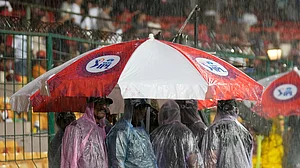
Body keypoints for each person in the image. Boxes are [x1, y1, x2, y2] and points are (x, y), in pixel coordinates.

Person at [150, 100, 203, 168]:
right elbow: (192, 162)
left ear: (161, 115)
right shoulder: (186, 133)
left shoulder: (154, 135)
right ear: (178, 113)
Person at [201, 99, 253, 168]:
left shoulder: (213, 130)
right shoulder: (245, 133)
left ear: (218, 110)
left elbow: (210, 160)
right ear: (236, 111)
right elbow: (248, 159)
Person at [106, 99, 157, 168]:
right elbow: (117, 162)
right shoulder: (121, 131)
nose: (143, 111)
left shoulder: (141, 130)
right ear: (131, 109)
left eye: (144, 108)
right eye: (139, 108)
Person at [61, 97, 109, 168]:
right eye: (100, 103)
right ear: (91, 104)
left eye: (105, 103)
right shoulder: (76, 128)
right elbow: (70, 161)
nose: (104, 107)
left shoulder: (101, 129)